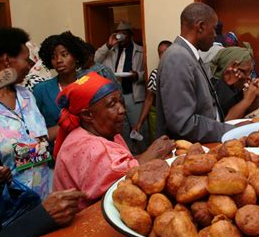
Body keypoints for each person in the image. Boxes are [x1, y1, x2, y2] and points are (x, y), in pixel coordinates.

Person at [53, 72, 174, 210]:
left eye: (120, 102)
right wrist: (153, 153)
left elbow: (121, 164)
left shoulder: (107, 131)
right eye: (112, 104)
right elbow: (120, 184)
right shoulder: (87, 148)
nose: (122, 110)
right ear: (88, 115)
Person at [0, 28, 53, 224]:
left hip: (45, 199)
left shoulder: (26, 94)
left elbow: (42, 142)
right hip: (12, 212)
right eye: (26, 59)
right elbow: (40, 148)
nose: (31, 65)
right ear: (7, 60)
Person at [156, 2, 234, 143]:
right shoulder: (177, 57)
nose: (215, 35)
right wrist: (229, 131)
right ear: (201, 27)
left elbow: (203, 103)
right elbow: (183, 123)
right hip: (189, 152)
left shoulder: (189, 54)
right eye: (214, 29)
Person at [94, 21, 148, 153]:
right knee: (121, 130)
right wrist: (108, 45)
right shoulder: (110, 50)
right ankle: (126, 155)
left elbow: (145, 72)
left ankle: (145, 154)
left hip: (133, 95)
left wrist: (137, 75)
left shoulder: (140, 51)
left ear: (130, 35)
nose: (121, 36)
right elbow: (94, 60)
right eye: (118, 33)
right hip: (115, 97)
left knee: (139, 129)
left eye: (124, 33)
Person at [33, 31, 86, 143]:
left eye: (64, 54)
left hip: (88, 150)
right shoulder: (41, 90)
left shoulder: (89, 85)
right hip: (55, 154)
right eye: (53, 57)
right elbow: (35, 132)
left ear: (76, 57)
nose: (59, 60)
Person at [210, 43, 259, 120]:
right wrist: (247, 100)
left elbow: (249, 114)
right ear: (230, 68)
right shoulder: (217, 87)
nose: (249, 77)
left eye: (250, 72)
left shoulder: (236, 86)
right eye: (245, 71)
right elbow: (226, 122)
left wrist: (255, 96)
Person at [133, 40, 171, 141]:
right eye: (160, 53)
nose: (162, 55)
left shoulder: (179, 73)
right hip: (156, 116)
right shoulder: (155, 74)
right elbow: (149, 99)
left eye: (165, 52)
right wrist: (139, 123)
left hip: (173, 115)